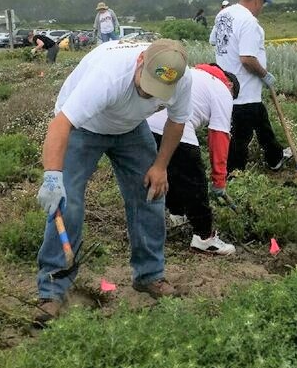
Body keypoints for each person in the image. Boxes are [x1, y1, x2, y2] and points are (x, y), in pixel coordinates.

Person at [33, 39, 192, 326]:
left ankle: (149, 275)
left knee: (151, 192)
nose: (147, 93)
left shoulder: (180, 77)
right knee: (67, 203)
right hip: (84, 127)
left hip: (130, 129)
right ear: (141, 61)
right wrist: (53, 177)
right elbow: (61, 125)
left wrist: (160, 166)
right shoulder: (108, 76)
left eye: (155, 92)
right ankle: (52, 291)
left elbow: (176, 122)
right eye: (145, 85)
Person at [148, 64, 239, 256]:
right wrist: (219, 180)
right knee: (194, 180)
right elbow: (219, 137)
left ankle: (177, 215)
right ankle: (204, 237)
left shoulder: (196, 74)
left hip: (146, 124)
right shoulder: (222, 89)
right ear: (230, 85)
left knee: (169, 170)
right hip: (175, 127)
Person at [210, 0, 289, 173]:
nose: (261, 8)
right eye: (262, 4)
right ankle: (234, 175)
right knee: (240, 136)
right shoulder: (248, 22)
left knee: (260, 120)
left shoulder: (223, 15)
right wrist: (264, 74)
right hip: (244, 90)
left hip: (224, 86)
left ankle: (275, 157)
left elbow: (214, 41)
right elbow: (247, 59)